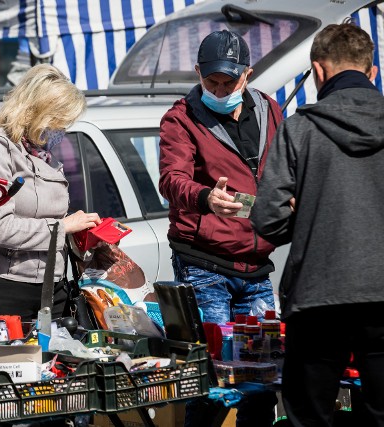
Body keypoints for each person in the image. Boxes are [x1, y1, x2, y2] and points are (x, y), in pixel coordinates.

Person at [251, 22, 384, 427]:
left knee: (309, 417)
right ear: (372, 72)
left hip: (317, 295)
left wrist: (309, 212)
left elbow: (268, 219)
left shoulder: (300, 128)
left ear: (318, 71)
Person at [158, 30, 283, 427]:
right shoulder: (180, 118)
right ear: (197, 72)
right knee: (212, 383)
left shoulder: (269, 110)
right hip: (204, 266)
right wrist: (205, 198)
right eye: (211, 80)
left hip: (256, 266)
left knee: (263, 384)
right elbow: (171, 179)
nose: (219, 88)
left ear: (248, 73)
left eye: (229, 81)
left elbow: (286, 168)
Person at [0, 63, 101, 335]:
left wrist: (84, 233)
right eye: (57, 121)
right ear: (35, 112)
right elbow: (1, 229)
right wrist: (63, 228)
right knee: (8, 369)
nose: (61, 130)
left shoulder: (40, 150)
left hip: (49, 284)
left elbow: (51, 215)